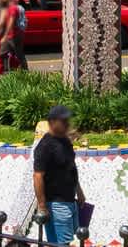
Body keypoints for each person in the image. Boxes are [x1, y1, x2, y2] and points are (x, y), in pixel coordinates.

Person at [33, 104, 86, 244]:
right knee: (60, 243)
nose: (67, 124)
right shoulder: (45, 147)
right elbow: (38, 176)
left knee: (68, 240)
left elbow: (71, 167)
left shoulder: (65, 141)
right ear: (52, 122)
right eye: (63, 121)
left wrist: (79, 191)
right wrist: (42, 206)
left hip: (70, 201)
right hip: (56, 205)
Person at [0, 0, 27, 75]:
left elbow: (11, 22)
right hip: (10, 35)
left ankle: (25, 71)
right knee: (3, 53)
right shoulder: (8, 8)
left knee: (19, 54)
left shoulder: (13, 8)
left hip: (15, 35)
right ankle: (8, 71)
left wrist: (5, 36)